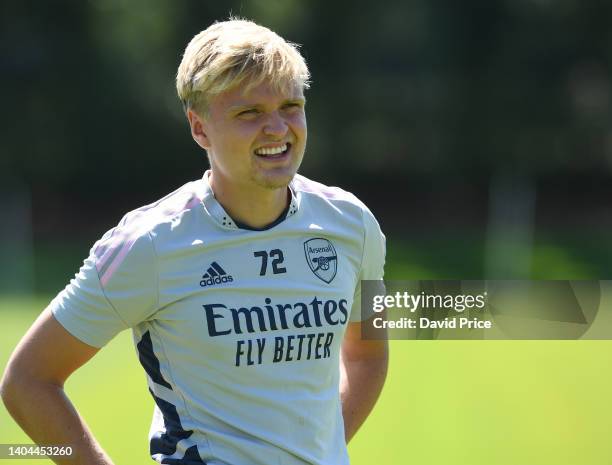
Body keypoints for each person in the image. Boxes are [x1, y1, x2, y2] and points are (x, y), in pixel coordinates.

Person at [1, 19, 388, 465]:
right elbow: (28, 379)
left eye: (290, 105)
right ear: (199, 128)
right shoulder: (146, 245)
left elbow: (367, 354)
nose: (278, 128)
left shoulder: (354, 225)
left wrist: (321, 451)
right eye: (250, 113)